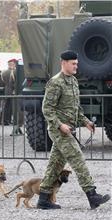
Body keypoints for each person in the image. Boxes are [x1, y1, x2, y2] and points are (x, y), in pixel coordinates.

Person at [37, 50, 110, 209]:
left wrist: (85, 122)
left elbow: (76, 108)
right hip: (59, 130)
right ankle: (92, 195)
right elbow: (47, 109)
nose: (76, 66)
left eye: (77, 63)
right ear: (64, 63)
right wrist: (60, 125)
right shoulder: (55, 82)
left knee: (55, 164)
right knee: (77, 158)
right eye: (73, 63)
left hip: (69, 129)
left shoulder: (73, 81)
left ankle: (43, 199)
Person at [1, 59, 17, 125]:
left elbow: (2, 82)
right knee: (12, 107)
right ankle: (11, 120)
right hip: (12, 91)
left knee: (6, 107)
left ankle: (5, 120)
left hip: (6, 90)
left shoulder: (3, 72)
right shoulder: (14, 72)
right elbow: (14, 82)